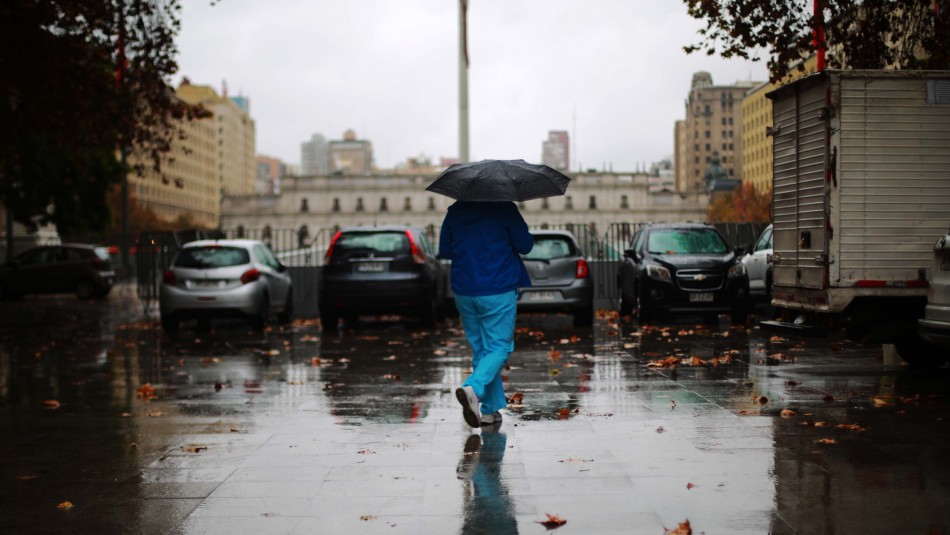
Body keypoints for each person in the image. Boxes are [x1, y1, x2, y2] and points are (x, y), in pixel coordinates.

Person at [438, 200, 533, 428]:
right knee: (499, 347)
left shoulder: (456, 211)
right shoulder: (505, 208)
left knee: (482, 349)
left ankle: (490, 412)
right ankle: (474, 388)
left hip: (465, 289)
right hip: (498, 287)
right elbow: (526, 245)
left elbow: (445, 250)